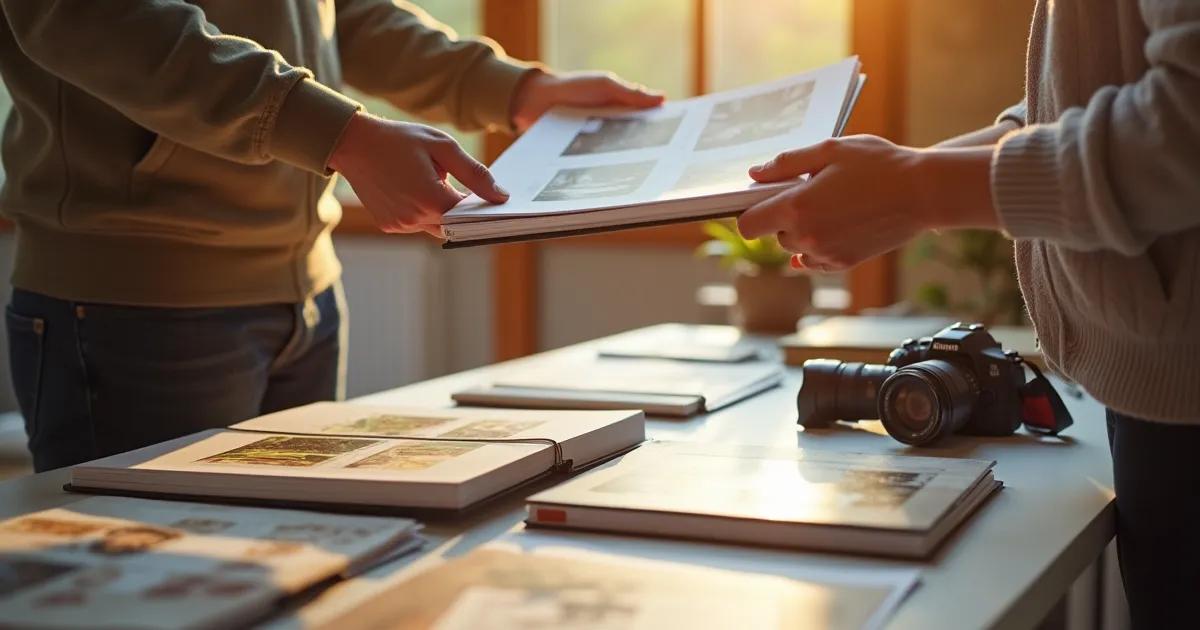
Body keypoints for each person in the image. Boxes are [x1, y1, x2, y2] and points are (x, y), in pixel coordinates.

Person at [0, 1, 663, 472]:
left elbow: (342, 15)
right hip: (135, 305)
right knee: (152, 590)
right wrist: (342, 136)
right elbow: (95, 18)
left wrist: (515, 90)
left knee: (300, 571)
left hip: (308, 298)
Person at [737, 2, 1199, 626]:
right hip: (1153, 389)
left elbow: (1184, 127)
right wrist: (899, 186)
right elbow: (1072, 101)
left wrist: (914, 189)